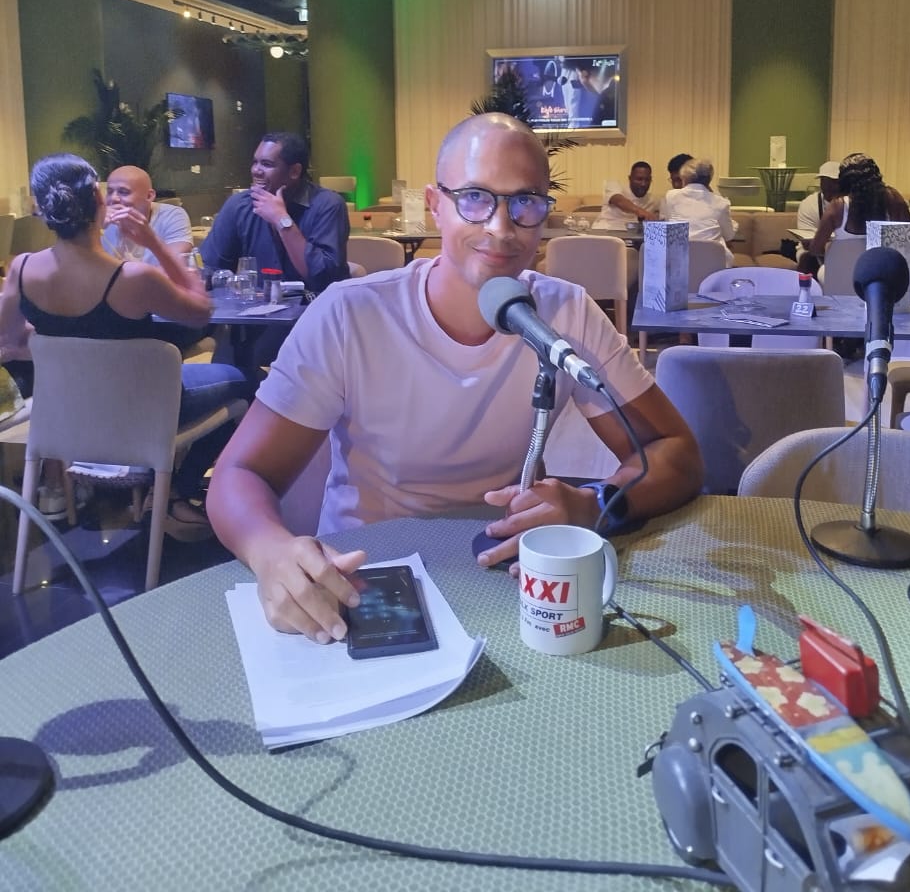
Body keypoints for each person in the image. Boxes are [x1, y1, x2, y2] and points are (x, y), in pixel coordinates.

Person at [207, 113, 703, 642]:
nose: (501, 228)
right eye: (474, 198)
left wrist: (594, 503)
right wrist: (271, 551)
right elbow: (240, 473)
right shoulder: (351, 315)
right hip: (366, 577)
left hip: (505, 570)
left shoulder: (566, 313)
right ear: (435, 204)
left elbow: (674, 451)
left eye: (525, 201)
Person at [0, 154, 248, 530]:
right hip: (141, 411)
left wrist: (57, 340)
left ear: (43, 210)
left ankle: (149, 485)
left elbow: (10, 340)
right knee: (253, 382)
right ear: (99, 201)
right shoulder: (133, 277)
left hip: (69, 415)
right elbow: (201, 311)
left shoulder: (21, 269)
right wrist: (154, 243)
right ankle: (175, 491)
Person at [200, 132, 349, 295]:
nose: (256, 171)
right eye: (255, 162)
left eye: (267, 164)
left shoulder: (327, 204)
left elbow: (324, 279)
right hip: (254, 308)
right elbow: (210, 267)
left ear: (294, 171)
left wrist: (281, 220)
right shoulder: (239, 205)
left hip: (313, 307)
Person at [805, 152, 910, 266]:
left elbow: (815, 249)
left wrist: (833, 248)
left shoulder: (838, 206)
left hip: (844, 273)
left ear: (844, 179)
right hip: (885, 272)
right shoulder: (893, 197)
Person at [101, 165, 193, 268]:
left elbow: (177, 267)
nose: (113, 199)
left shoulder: (172, 216)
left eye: (123, 192)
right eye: (109, 192)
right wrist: (93, 229)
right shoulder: (100, 222)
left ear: (149, 196)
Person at [660, 158, 738, 266]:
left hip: (676, 265)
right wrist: (734, 225)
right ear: (709, 179)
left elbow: (668, 224)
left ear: (684, 178)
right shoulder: (721, 203)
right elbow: (729, 236)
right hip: (711, 267)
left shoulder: (670, 197)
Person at [593, 160, 660, 229]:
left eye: (647, 180)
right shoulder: (614, 186)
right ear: (630, 178)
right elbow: (619, 201)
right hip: (607, 230)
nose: (643, 184)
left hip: (634, 233)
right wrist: (640, 211)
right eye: (639, 179)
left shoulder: (653, 201)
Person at [795, 162, 842, 241]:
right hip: (814, 247)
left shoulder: (855, 204)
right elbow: (808, 240)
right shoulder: (809, 205)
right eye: (824, 181)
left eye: (834, 182)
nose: (828, 186)